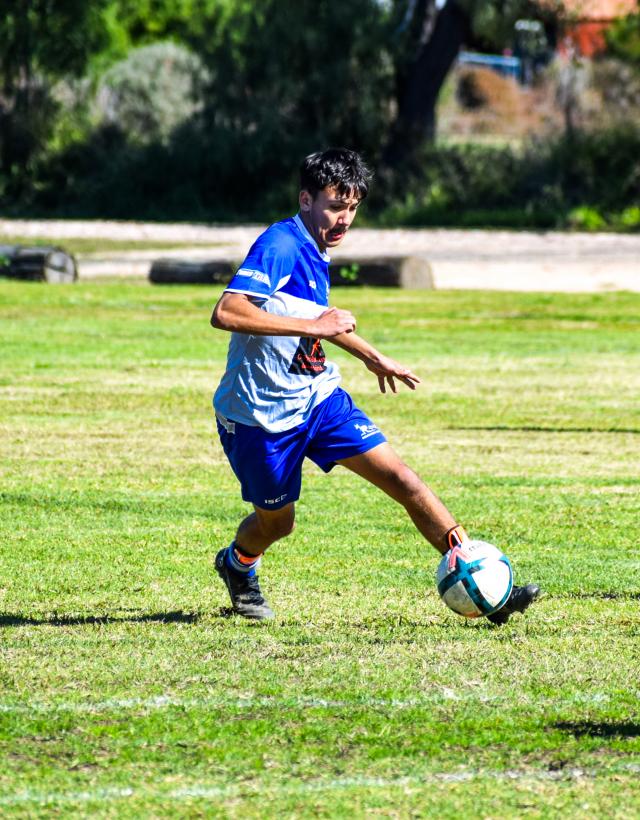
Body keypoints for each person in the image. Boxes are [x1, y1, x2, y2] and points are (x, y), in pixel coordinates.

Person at [210, 147, 540, 625]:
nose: (344, 219)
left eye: (353, 207)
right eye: (334, 205)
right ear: (305, 199)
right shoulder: (280, 245)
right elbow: (228, 312)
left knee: (404, 480)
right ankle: (238, 565)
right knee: (277, 524)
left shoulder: (317, 245)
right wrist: (318, 329)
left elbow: (315, 319)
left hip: (318, 399)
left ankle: (483, 584)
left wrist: (372, 356)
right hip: (259, 416)